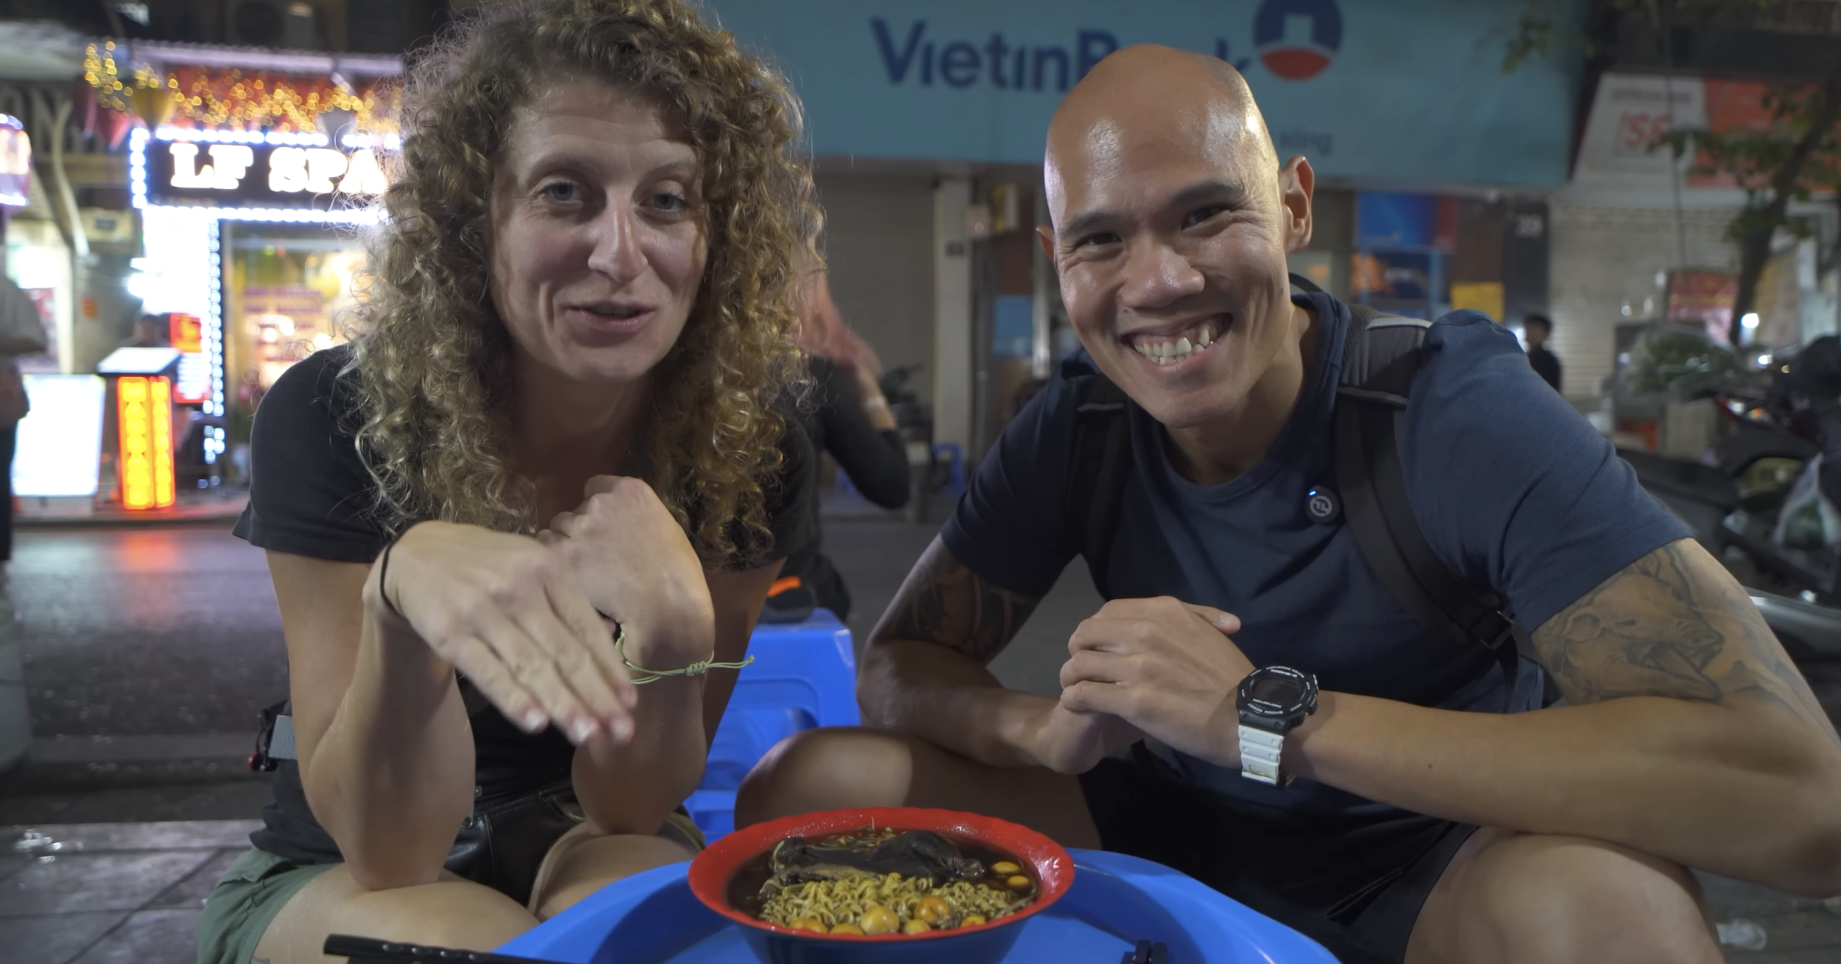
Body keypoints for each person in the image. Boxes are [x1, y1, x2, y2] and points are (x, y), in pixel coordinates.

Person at [735, 47, 1841, 964]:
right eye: (1101, 238)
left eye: (1205, 215)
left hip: (1431, 866)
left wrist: (1272, 719)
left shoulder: (1447, 410)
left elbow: (1803, 805)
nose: (1155, 282)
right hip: (1160, 835)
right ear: (1055, 260)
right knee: (818, 786)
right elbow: (898, 666)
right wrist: (1043, 729)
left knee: (1613, 920)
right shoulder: (1078, 424)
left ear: (1293, 205)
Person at [196, 2, 818, 960]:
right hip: (338, 862)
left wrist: (677, 634)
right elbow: (388, 849)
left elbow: (630, 808)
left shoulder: (753, 445)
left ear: (716, 235)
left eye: (667, 199)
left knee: (663, 944)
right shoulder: (336, 414)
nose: (620, 255)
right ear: (469, 218)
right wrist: (397, 608)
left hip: (593, 827)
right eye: (564, 191)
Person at [773, 259, 909, 622]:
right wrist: (868, 388)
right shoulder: (810, 375)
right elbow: (893, 487)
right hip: (785, 593)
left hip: (685, 593)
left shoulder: (683, 368)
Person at [1522, 313, 1561, 392]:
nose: (1529, 331)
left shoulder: (1549, 360)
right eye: (1528, 327)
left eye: (1534, 328)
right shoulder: (1524, 357)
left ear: (1544, 334)